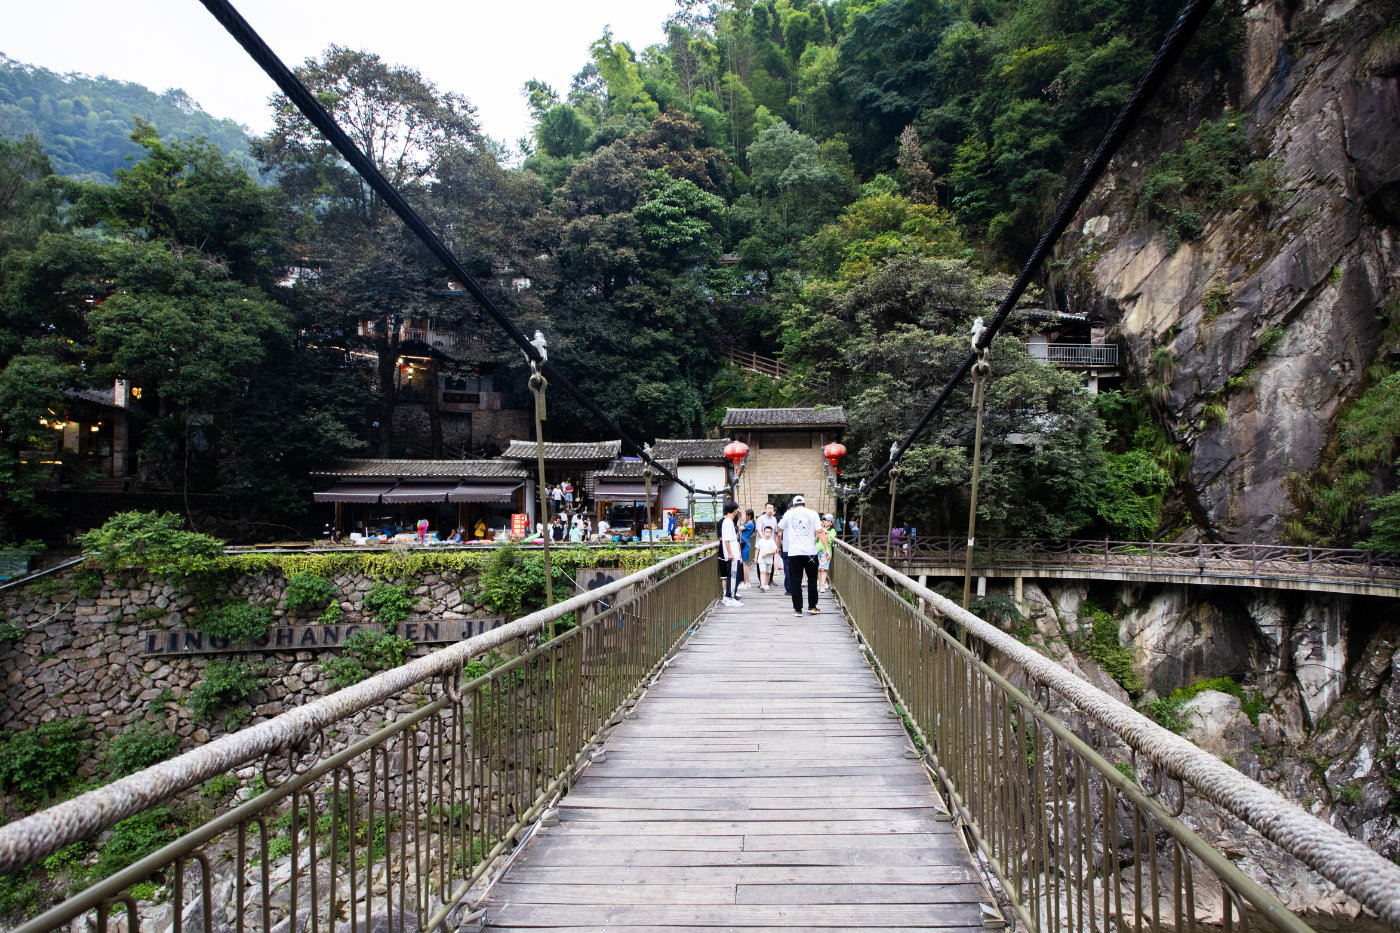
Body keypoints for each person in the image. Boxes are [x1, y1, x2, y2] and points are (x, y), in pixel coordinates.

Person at [777, 494, 823, 615]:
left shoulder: (788, 514)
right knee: (812, 580)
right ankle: (812, 607)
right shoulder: (813, 513)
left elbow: (779, 528)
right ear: (804, 504)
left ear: (793, 505)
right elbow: (819, 531)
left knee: (795, 581)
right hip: (811, 553)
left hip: (794, 553)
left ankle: (798, 609)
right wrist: (827, 550)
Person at [719, 500, 743, 607]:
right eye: (737, 509)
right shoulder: (728, 522)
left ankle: (729, 597)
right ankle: (730, 598)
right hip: (732, 554)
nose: (738, 511)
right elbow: (726, 540)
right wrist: (729, 553)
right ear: (733, 510)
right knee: (732, 576)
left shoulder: (727, 522)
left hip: (732, 553)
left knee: (731, 576)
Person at [755, 525, 779, 591]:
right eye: (766, 532)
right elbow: (757, 549)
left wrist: (767, 553)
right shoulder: (760, 541)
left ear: (771, 533)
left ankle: (766, 584)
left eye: (769, 532)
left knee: (768, 572)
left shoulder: (772, 541)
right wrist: (756, 558)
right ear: (764, 532)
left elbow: (774, 551)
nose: (768, 534)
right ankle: (762, 585)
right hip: (761, 559)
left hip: (769, 559)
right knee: (762, 572)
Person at [817, 514, 835, 592]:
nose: (826, 522)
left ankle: (822, 586)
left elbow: (828, 541)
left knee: (823, 569)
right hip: (818, 550)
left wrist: (825, 532)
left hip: (826, 551)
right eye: (825, 520)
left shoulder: (832, 531)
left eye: (828, 520)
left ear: (831, 522)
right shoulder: (821, 529)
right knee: (818, 569)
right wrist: (818, 532)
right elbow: (816, 539)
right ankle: (820, 583)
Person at [739, 509, 756, 588]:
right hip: (745, 543)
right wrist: (740, 515)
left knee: (744, 565)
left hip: (744, 544)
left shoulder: (750, 524)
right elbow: (742, 520)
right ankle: (747, 582)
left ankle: (745, 582)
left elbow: (739, 527)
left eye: (746, 515)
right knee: (744, 564)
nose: (745, 517)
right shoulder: (749, 523)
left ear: (749, 516)